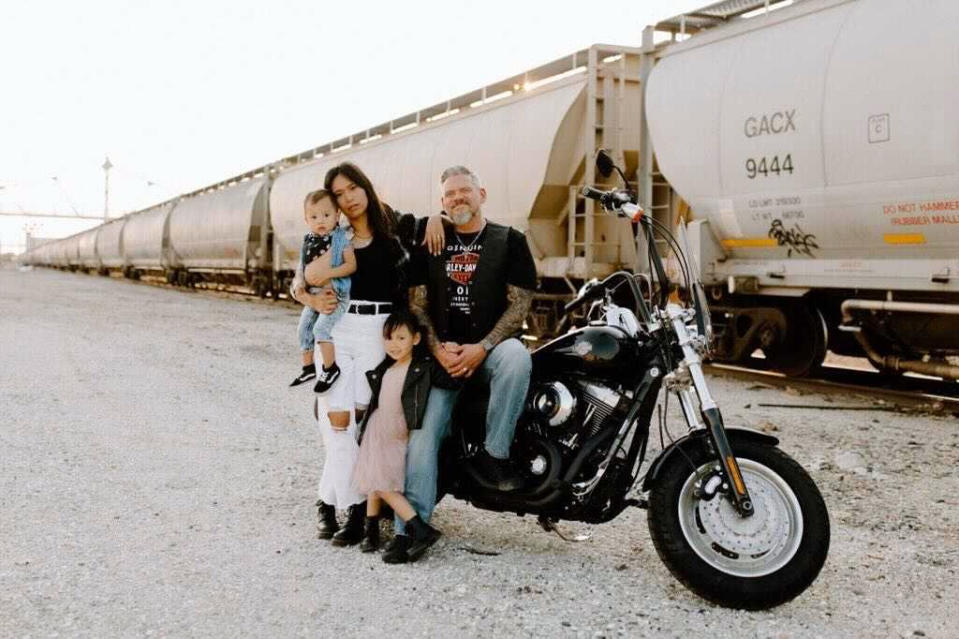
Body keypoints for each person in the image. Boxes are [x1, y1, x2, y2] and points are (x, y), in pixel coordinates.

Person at [389, 165, 537, 563]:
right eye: (450, 195)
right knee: (424, 436)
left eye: (464, 192)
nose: (458, 199)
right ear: (442, 203)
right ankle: (411, 528)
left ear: (482, 194)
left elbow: (519, 305)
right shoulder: (431, 241)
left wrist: (482, 347)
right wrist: (437, 349)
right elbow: (417, 304)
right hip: (441, 358)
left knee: (517, 356)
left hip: (488, 353)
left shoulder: (509, 241)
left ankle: (494, 454)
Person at [293, 162, 444, 546]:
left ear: (366, 186)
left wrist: (439, 218)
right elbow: (302, 279)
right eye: (338, 194)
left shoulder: (397, 228)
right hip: (341, 329)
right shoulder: (334, 236)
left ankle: (331, 502)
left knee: (364, 422)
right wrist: (309, 294)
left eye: (352, 188)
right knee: (336, 422)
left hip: (381, 334)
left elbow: (434, 225)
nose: (348, 198)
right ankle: (351, 511)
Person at [350, 311, 444, 562]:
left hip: (397, 431)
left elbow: (449, 381)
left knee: (383, 484)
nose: (393, 344)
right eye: (388, 338)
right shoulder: (385, 367)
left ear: (415, 339)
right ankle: (371, 531)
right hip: (377, 429)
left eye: (401, 338)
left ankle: (419, 528)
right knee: (374, 478)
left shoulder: (421, 367)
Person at [289, 189, 355, 391]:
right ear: (306, 219)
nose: (321, 221)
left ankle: (330, 368)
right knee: (303, 329)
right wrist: (300, 283)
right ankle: (308, 367)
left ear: (337, 215)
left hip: (335, 295)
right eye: (314, 217)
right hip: (314, 294)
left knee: (320, 329)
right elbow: (301, 267)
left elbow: (351, 265)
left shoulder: (341, 238)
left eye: (326, 215)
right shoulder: (308, 240)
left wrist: (329, 272)